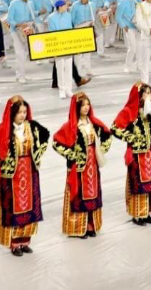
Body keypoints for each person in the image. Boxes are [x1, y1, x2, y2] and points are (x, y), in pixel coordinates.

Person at [0, 96, 49, 255]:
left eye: (25, 112)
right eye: (19, 112)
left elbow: (46, 136)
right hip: (11, 176)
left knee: (29, 207)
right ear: (12, 113)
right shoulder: (2, 129)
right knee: (13, 209)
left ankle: (25, 240)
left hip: (30, 173)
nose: (23, 115)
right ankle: (14, 243)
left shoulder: (32, 127)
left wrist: (37, 154)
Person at [51, 92, 112, 238]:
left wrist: (101, 150)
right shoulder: (71, 126)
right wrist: (72, 155)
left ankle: (90, 225)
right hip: (78, 168)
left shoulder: (94, 123)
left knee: (92, 194)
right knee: (78, 195)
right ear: (76, 107)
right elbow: (56, 143)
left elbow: (107, 135)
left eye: (87, 104)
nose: (86, 107)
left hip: (92, 165)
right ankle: (78, 227)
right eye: (82, 105)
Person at [111, 82, 151, 226]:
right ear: (139, 95)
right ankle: (137, 214)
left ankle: (148, 212)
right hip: (137, 153)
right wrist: (131, 138)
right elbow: (115, 128)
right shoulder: (130, 110)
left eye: (150, 93)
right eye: (146, 93)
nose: (149, 96)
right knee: (138, 183)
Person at [71, 0, 97, 80]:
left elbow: (93, 16)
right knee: (78, 52)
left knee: (88, 50)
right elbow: (72, 18)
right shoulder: (75, 5)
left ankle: (88, 69)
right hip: (78, 28)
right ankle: (77, 70)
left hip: (88, 28)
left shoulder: (92, 5)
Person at [116, 0, 140, 73]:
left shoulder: (134, 0)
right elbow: (118, 16)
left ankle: (139, 65)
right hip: (128, 28)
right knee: (132, 48)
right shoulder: (122, 1)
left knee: (139, 47)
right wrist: (123, 26)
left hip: (137, 27)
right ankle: (127, 66)